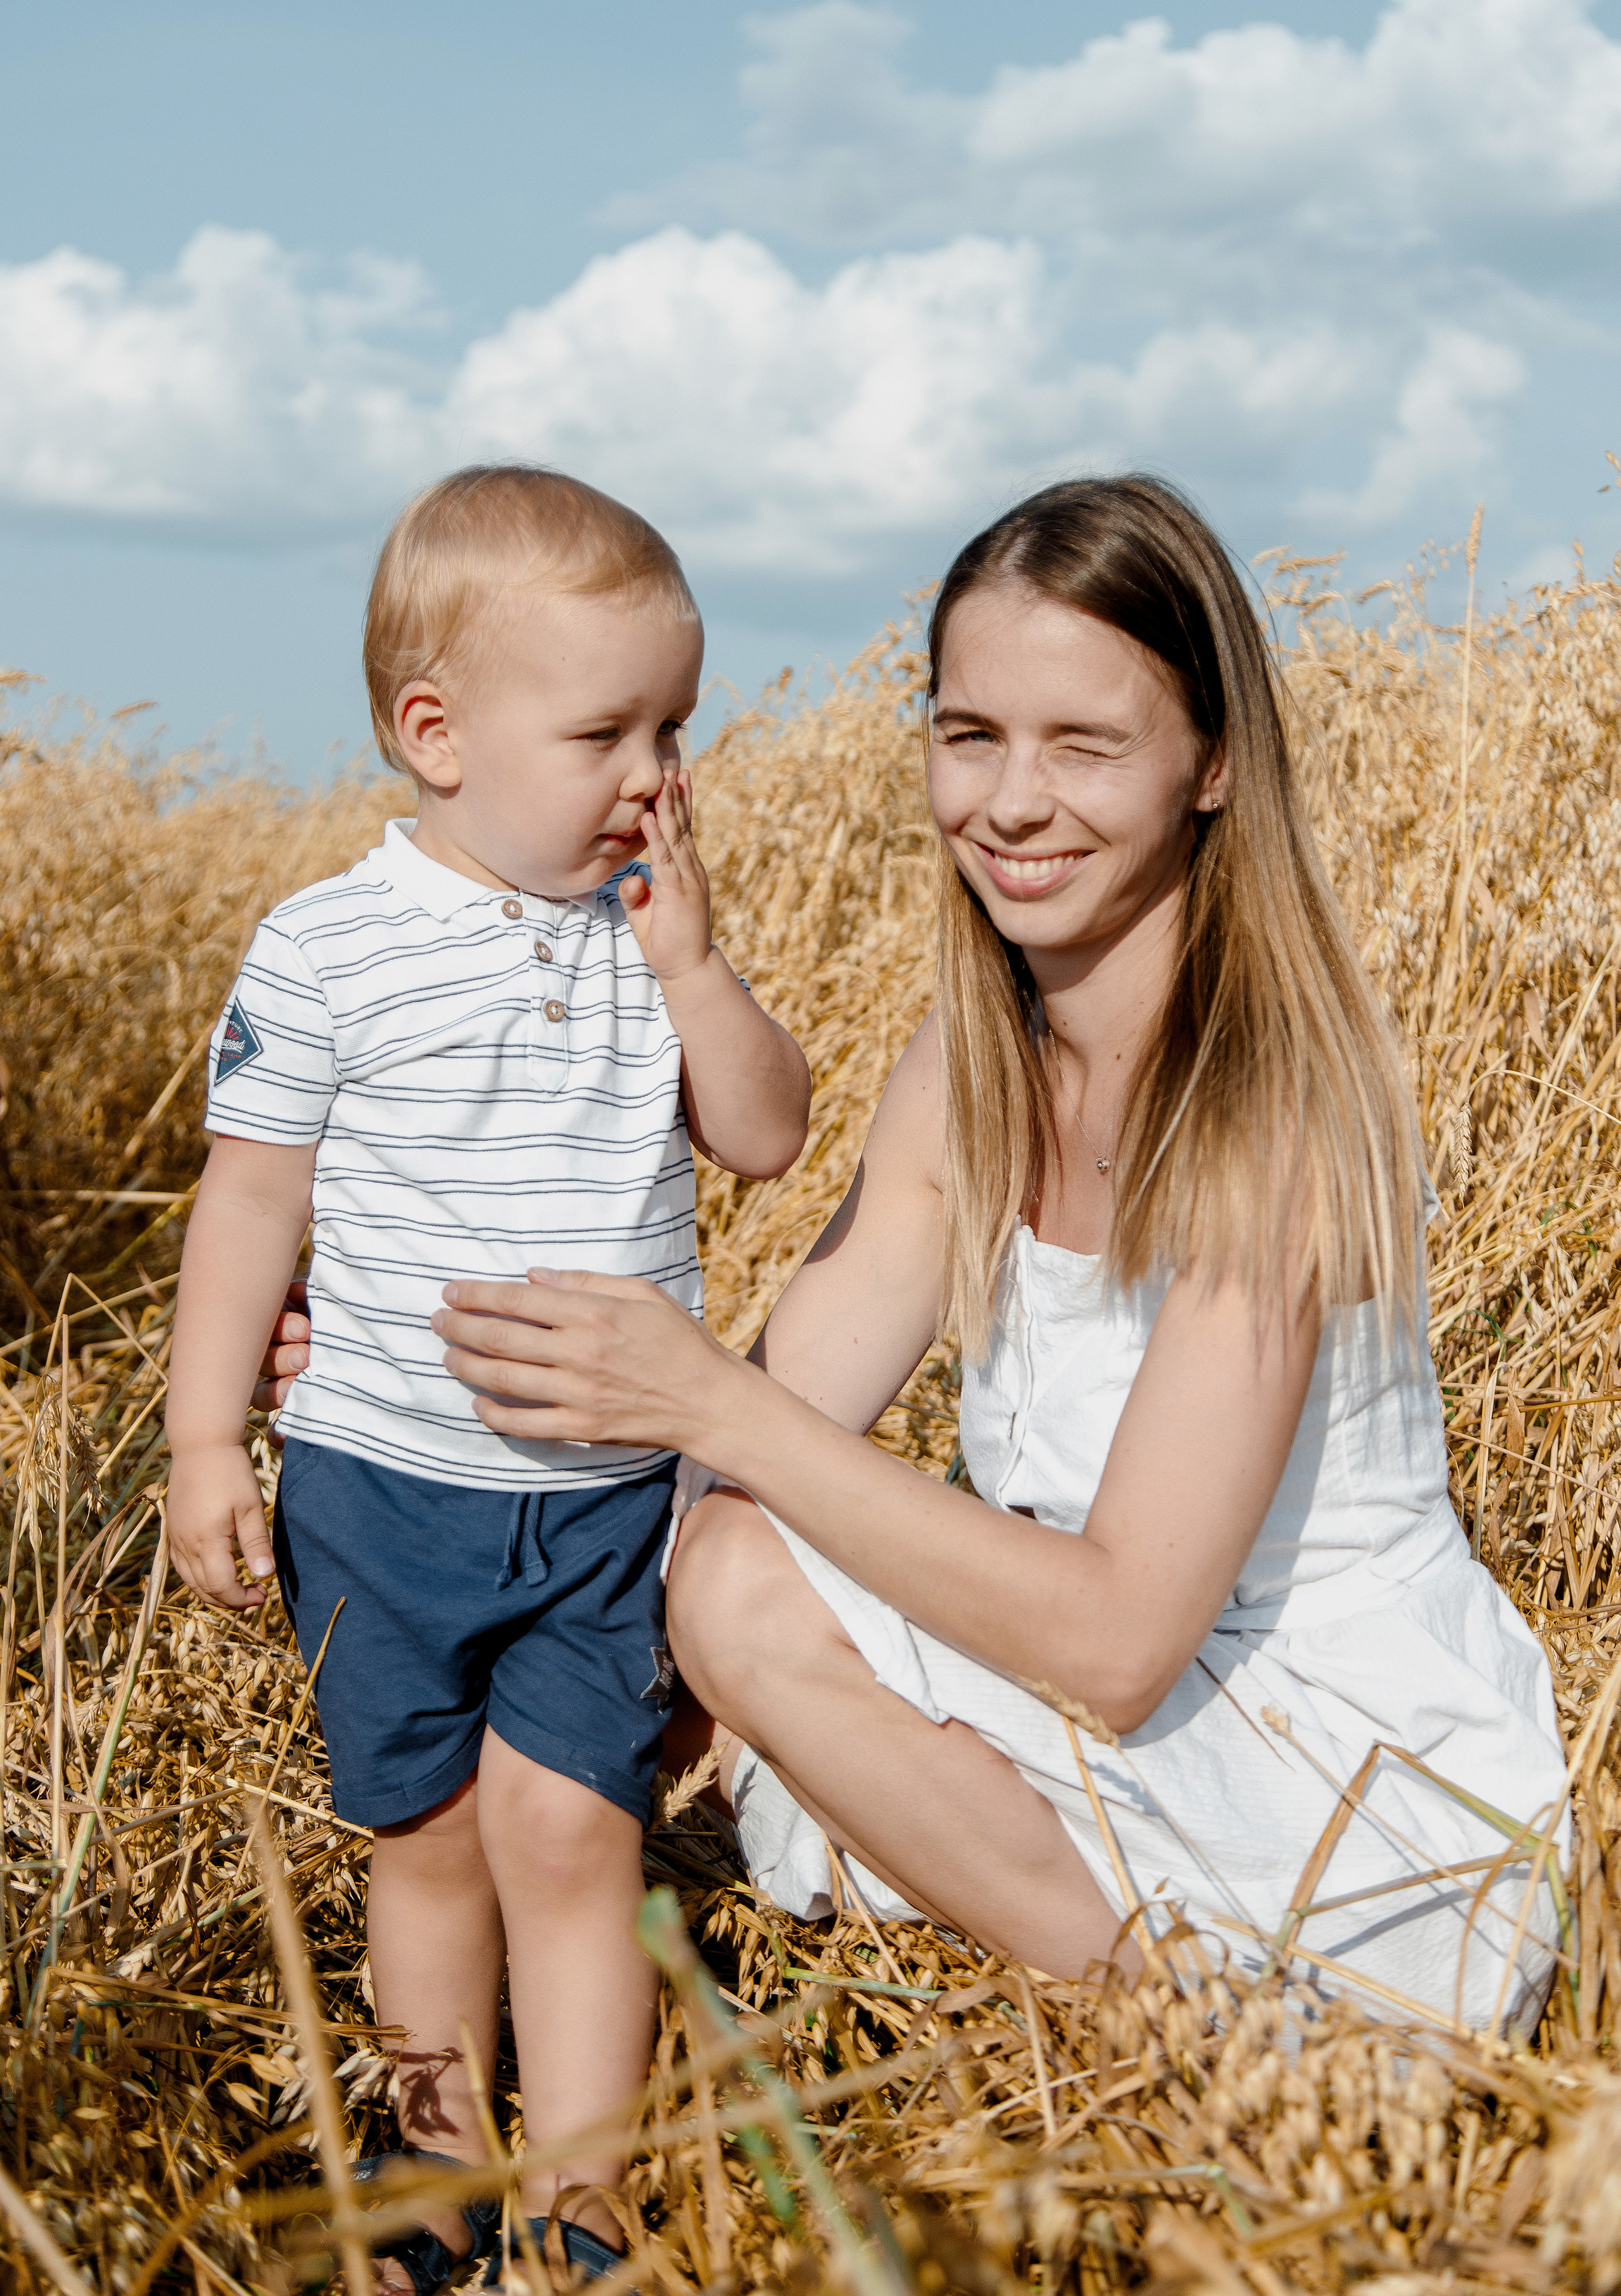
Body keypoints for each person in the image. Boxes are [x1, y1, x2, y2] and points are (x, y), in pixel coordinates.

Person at [333, 472, 1568, 2040]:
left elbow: (1121, 1644)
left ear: (1212, 766)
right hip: (1083, 1702)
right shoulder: (968, 1062)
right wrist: (411, 1367)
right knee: (722, 1567)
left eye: (1085, 744)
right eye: (968, 733)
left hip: (1327, 1767)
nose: (1010, 801)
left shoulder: (1277, 1107)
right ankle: (1137, 1985)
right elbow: (775, 1420)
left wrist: (709, 1405)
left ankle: (1197, 2031)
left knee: (740, 1553)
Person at [165, 465, 812, 2293]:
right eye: (605, 727)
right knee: (428, 1836)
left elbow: (764, 1138)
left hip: (601, 1494)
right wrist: (208, 1427)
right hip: (380, 1479)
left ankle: (589, 2188)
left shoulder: (646, 937)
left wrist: (695, 970)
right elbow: (252, 1200)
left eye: (675, 725)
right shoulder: (327, 945)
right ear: (433, 734)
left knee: (573, 1826)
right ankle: (434, 2163)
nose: (654, 774)